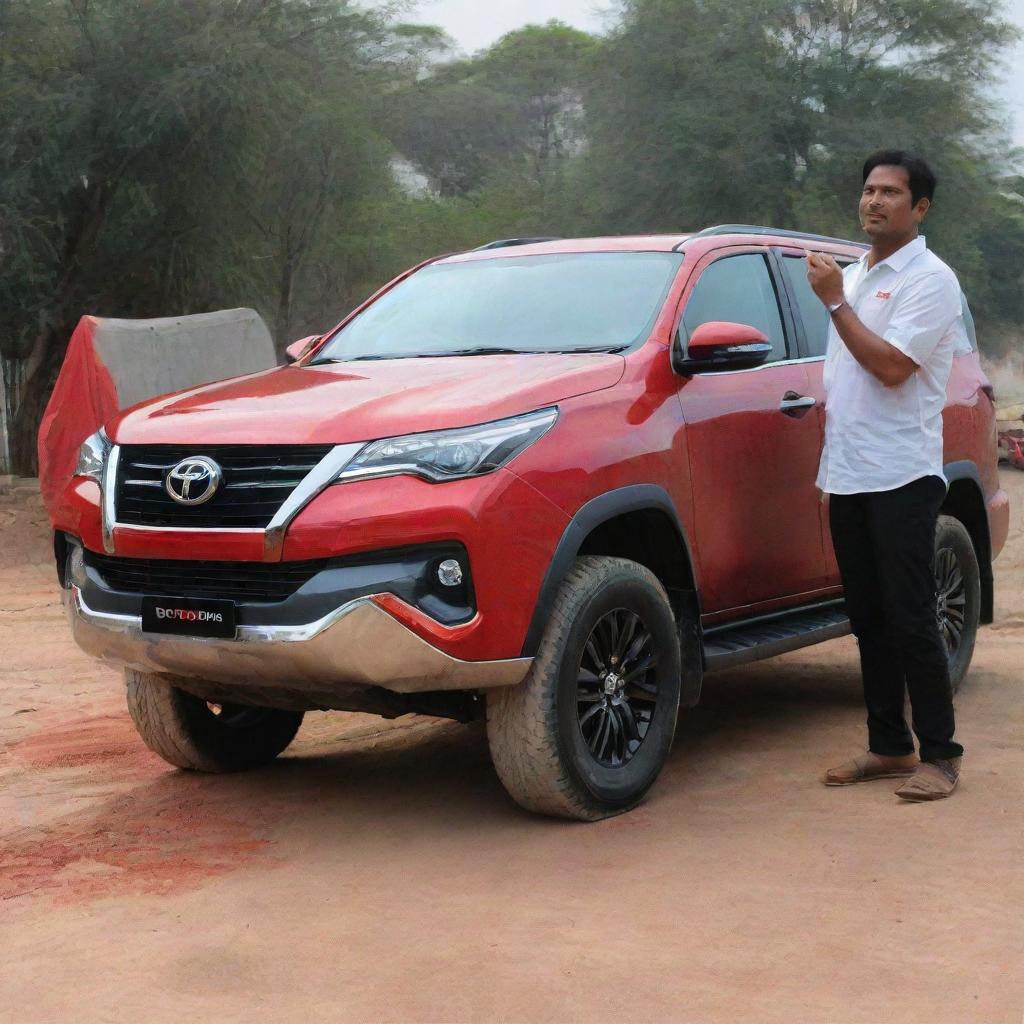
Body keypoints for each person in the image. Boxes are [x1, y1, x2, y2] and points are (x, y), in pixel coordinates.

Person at [806, 149, 968, 801]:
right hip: (848, 473)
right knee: (867, 615)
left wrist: (835, 305)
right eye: (869, 190)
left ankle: (941, 753)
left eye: (891, 193)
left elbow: (893, 368)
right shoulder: (851, 276)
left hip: (902, 472)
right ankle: (889, 747)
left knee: (909, 616)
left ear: (920, 208)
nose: (874, 201)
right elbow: (842, 381)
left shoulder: (930, 280)